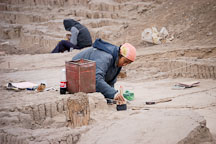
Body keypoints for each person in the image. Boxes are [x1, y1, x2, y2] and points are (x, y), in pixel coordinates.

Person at [72, 38, 136, 104]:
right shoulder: (105, 57)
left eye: (128, 63)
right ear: (120, 55)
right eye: (125, 61)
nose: (125, 64)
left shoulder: (117, 59)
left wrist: (111, 96)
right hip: (76, 74)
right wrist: (113, 94)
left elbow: (110, 80)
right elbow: (96, 79)